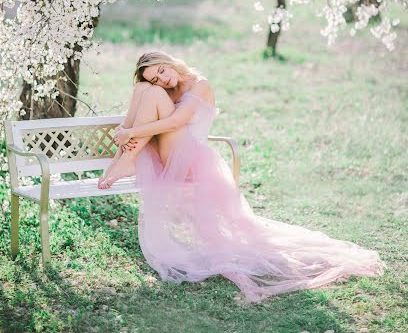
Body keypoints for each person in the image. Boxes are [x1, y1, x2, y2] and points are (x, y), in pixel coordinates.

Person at [98, 50, 385, 302]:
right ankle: (123, 161)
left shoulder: (200, 85)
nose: (163, 80)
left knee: (150, 94)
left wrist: (130, 133)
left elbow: (177, 121)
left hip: (190, 161)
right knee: (141, 91)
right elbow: (148, 114)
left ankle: (126, 161)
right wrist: (128, 127)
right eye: (157, 78)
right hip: (167, 155)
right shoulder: (160, 91)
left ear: (169, 62)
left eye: (161, 71)